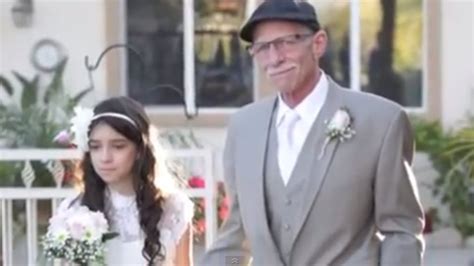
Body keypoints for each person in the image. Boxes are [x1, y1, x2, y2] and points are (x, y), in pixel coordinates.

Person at [200, 1, 424, 265]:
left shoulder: (382, 121)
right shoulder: (243, 127)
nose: (274, 58)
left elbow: (401, 231)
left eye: (285, 42)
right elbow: (236, 235)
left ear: (318, 43)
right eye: (262, 48)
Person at [56, 96, 194, 266]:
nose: (105, 158)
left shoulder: (173, 209)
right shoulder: (73, 211)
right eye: (96, 146)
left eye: (118, 146)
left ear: (139, 150)